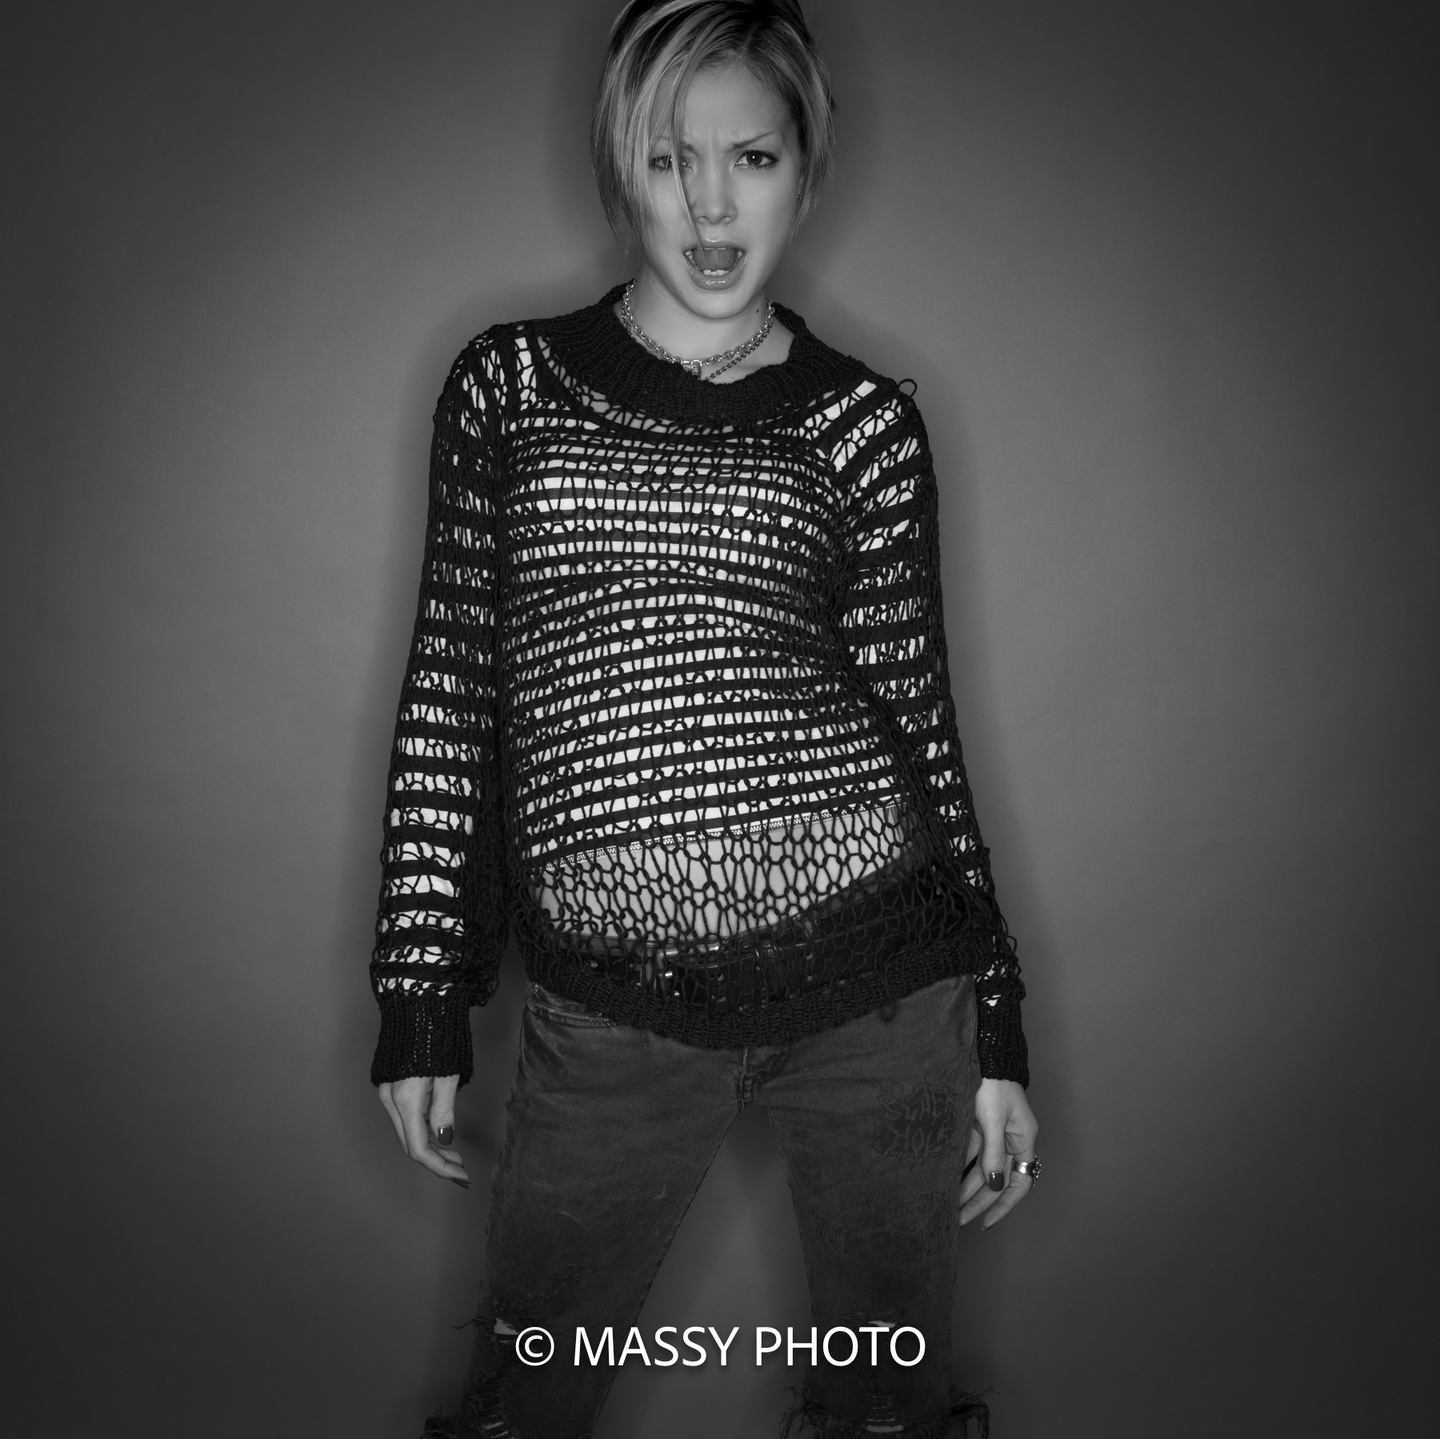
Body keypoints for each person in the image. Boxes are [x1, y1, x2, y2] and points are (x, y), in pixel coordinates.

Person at [369, 3, 1040, 1435]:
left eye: (753, 157)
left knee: (885, 1412)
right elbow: (450, 699)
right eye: (672, 160)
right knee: (528, 1403)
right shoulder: (509, 387)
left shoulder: (861, 427)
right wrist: (421, 997)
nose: (714, 207)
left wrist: (995, 1034)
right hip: (613, 1011)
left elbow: (922, 731)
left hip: (881, 992)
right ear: (623, 163)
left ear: (808, 166)